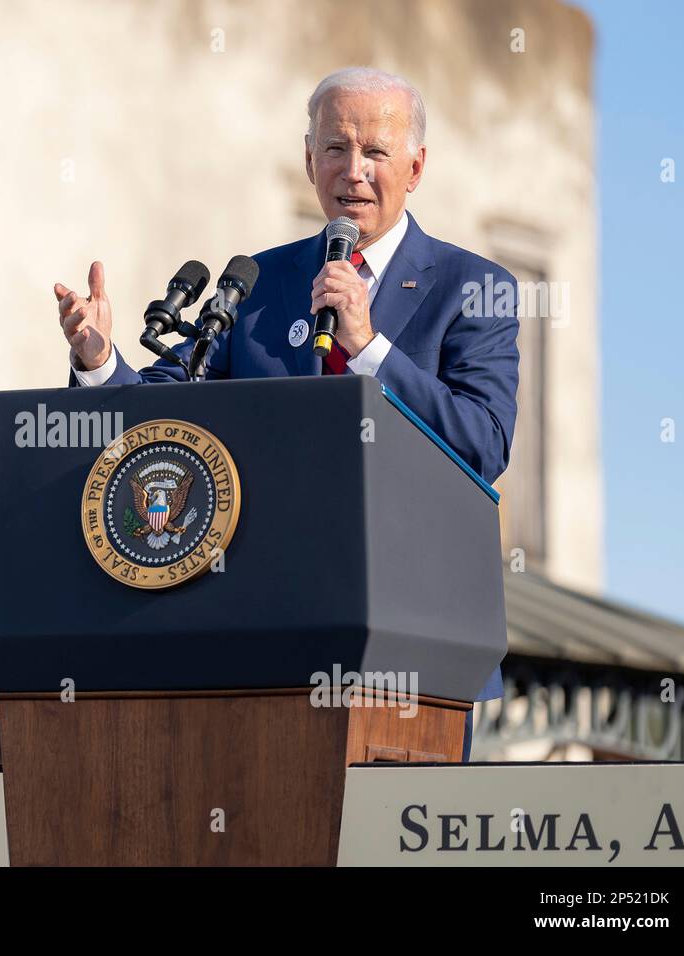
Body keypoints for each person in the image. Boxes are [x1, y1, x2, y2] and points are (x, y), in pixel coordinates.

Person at [53, 67, 520, 761]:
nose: (353, 171)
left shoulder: (475, 288)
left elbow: (483, 443)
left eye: (376, 153)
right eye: (335, 148)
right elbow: (163, 417)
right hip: (260, 634)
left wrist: (369, 348)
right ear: (309, 161)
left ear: (416, 167)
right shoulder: (258, 283)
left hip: (415, 642)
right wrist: (97, 360)